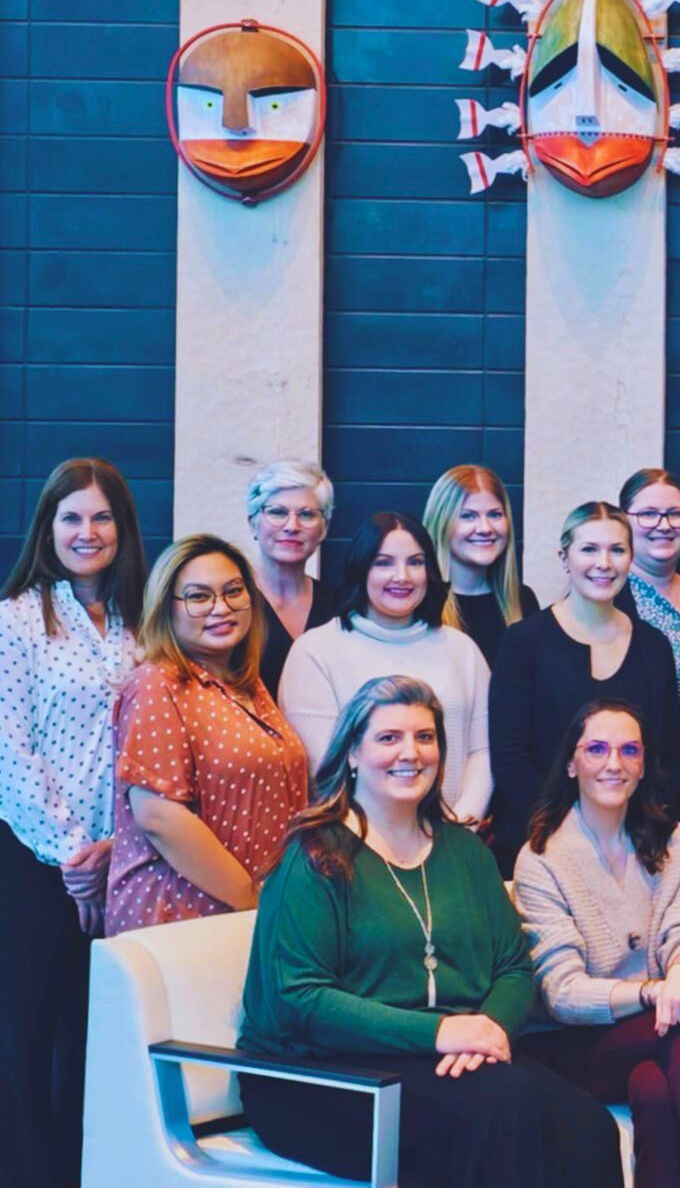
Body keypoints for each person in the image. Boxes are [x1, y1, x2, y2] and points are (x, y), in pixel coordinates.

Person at [237, 676, 623, 1188]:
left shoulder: (466, 852)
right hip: (316, 1075)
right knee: (502, 1110)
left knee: (587, 1126)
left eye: (425, 737)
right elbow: (299, 999)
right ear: (352, 753)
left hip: (443, 1056)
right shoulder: (314, 857)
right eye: (388, 737)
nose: (411, 753)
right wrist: (439, 1033)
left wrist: (486, 1030)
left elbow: (513, 966)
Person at [513, 701, 680, 1188]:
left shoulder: (677, 842)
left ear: (644, 765)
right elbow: (562, 994)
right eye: (597, 749)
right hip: (568, 1045)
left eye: (629, 750)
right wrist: (656, 992)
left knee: (655, 1087)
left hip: (654, 1033)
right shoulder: (541, 857)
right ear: (571, 763)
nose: (614, 763)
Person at [0, 457, 145, 1188]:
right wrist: (72, 856)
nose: (87, 532)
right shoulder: (16, 618)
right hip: (34, 857)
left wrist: (115, 848)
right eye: (72, 517)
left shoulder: (140, 620)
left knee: (98, 1035)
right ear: (48, 527)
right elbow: (8, 747)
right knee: (27, 1037)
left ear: (122, 528)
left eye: (102, 517)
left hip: (125, 857)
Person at [106, 534, 307, 934]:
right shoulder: (156, 683)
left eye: (234, 591)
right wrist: (252, 900)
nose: (222, 607)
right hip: (181, 916)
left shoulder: (248, 685)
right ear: (167, 607)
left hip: (252, 913)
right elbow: (159, 816)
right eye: (199, 596)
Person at [490, 503, 678, 870]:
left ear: (631, 558)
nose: (603, 563)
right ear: (565, 557)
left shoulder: (654, 645)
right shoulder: (524, 641)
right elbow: (509, 756)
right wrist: (565, 835)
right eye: (589, 549)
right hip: (540, 845)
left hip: (634, 847)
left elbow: (668, 754)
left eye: (617, 550)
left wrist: (638, 831)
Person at [279, 513, 493, 822]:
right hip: (353, 838)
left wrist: (459, 828)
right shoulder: (315, 651)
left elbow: (483, 752)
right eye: (384, 563)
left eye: (416, 562)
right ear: (362, 568)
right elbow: (324, 768)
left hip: (452, 834)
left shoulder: (463, 650)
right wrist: (375, 839)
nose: (402, 576)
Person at [616, 468, 680, 794]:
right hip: (641, 781)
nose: (664, 525)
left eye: (674, 514)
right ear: (624, 522)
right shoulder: (611, 599)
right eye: (649, 514)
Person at [425, 465, 540, 668]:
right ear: (441, 523)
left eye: (495, 514)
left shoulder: (523, 600)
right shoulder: (421, 603)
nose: (485, 528)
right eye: (468, 516)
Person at [245, 458, 339, 696]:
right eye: (277, 512)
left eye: (307, 514)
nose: (292, 526)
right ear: (253, 523)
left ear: (324, 528)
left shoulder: (340, 607)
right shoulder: (232, 603)